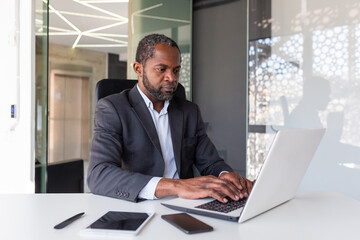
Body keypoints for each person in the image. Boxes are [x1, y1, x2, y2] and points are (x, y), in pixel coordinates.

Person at [88, 33, 253, 203]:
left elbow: (211, 163)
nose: (172, 78)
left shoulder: (189, 111)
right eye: (162, 69)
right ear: (138, 69)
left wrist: (225, 176)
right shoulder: (112, 108)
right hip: (139, 205)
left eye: (176, 70)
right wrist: (177, 186)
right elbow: (99, 175)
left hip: (185, 204)